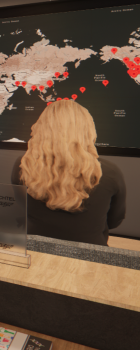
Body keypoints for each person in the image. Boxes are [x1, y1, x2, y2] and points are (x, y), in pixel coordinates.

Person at [11, 100, 126, 246]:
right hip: (91, 257)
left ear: (41, 128)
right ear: (87, 130)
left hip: (35, 252)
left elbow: (22, 209)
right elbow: (115, 221)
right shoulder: (110, 172)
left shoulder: (22, 165)